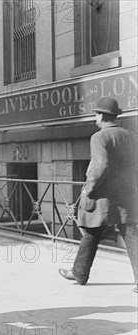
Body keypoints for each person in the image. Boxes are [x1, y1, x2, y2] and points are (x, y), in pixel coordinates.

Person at [58, 97, 137, 293]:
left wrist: (89, 189)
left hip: (103, 197)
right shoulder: (131, 135)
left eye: (96, 114)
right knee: (131, 236)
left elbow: (101, 166)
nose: (95, 119)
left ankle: (79, 273)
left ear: (102, 115)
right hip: (127, 195)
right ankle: (79, 272)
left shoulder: (99, 137)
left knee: (92, 232)